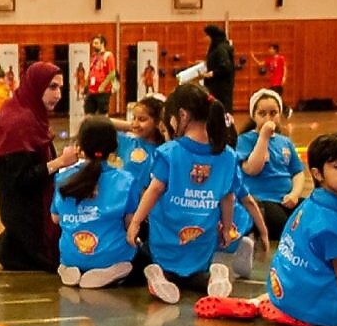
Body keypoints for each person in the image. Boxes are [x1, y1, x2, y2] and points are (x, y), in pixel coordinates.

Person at [196, 132, 337, 326]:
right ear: (318, 174)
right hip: (314, 310)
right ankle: (287, 310)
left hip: (284, 289)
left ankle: (266, 302)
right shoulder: (329, 223)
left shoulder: (313, 203)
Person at [125, 84, 241, 304]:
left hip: (167, 238)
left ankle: (158, 276)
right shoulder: (228, 155)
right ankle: (215, 274)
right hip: (202, 239)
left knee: (150, 261)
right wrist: (226, 228)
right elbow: (228, 197)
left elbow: (155, 189)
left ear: (182, 115)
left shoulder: (170, 152)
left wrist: (136, 221)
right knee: (195, 273)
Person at [0, 62, 77, 271]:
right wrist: (60, 162)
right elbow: (20, 181)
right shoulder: (18, 122)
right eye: (52, 87)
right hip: (27, 214)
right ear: (36, 86)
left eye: (60, 88)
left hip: (29, 209)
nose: (58, 95)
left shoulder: (27, 113)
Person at [51, 117, 140, 288]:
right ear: (114, 147)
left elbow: (55, 218)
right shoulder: (126, 180)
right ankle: (110, 269)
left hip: (71, 253)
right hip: (111, 255)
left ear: (80, 147)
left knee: (69, 249)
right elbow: (130, 223)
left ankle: (68, 267)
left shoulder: (62, 177)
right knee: (135, 256)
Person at [236, 89, 305, 240]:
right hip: (262, 201)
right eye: (262, 114)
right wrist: (263, 138)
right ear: (253, 116)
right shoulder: (245, 140)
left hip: (285, 198)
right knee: (282, 226)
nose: (268, 118)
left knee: (309, 213)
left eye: (273, 113)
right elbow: (252, 169)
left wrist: (294, 194)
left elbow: (297, 172)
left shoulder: (285, 141)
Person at [201, 24, 236, 113]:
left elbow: (226, 67)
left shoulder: (221, 48)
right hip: (218, 87)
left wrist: (212, 73)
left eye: (207, 36)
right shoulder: (218, 47)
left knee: (222, 109)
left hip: (220, 88)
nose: (205, 38)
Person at [84, 36, 116, 115]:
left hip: (102, 91)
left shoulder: (108, 55)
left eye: (96, 43)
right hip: (91, 90)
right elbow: (91, 71)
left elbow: (112, 73)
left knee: (102, 114)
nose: (93, 45)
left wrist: (103, 86)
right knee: (88, 113)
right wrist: (86, 84)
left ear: (102, 44)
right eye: (93, 43)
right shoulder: (94, 56)